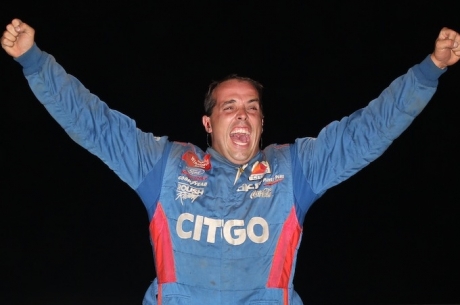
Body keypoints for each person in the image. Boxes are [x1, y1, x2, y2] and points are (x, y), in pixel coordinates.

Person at [2, 18, 459, 304]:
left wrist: (427, 72)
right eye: (229, 106)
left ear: (261, 124)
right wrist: (35, 62)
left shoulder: (292, 170)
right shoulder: (166, 166)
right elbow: (97, 124)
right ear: (208, 122)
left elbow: (366, 130)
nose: (243, 113)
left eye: (253, 107)